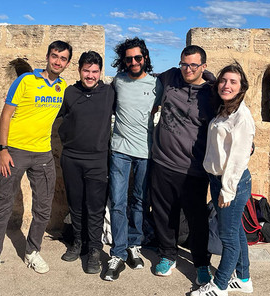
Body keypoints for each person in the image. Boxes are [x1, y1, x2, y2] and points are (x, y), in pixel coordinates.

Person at [0, 40, 72, 282]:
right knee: (3, 206)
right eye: (54, 56)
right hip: (15, 151)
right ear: (48, 57)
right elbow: (6, 113)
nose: (58, 62)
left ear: (68, 63)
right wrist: (3, 149)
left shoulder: (63, 87)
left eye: (63, 59)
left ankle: (32, 251)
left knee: (43, 207)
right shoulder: (25, 81)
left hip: (43, 154)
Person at [150, 45, 216, 285]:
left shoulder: (212, 93)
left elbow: (228, 116)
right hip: (162, 162)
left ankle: (201, 263)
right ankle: (168, 255)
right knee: (164, 214)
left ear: (203, 67)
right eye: (184, 64)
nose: (188, 69)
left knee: (197, 219)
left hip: (194, 169)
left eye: (193, 65)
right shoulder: (170, 77)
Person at [192, 63, 256, 296]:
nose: (226, 85)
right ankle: (244, 278)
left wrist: (227, 191)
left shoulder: (242, 116)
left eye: (233, 82)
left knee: (228, 236)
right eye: (223, 80)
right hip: (219, 179)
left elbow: (239, 158)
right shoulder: (225, 109)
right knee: (237, 231)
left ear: (242, 87)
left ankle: (219, 286)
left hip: (232, 183)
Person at [104, 37, 163, 281]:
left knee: (139, 200)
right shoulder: (118, 81)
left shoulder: (156, 84)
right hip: (119, 150)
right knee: (118, 201)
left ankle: (134, 245)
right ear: (124, 61)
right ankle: (117, 252)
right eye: (129, 59)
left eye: (138, 57)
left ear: (145, 58)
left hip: (145, 152)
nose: (134, 62)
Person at [58, 51, 116, 275]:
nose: (90, 75)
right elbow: (49, 114)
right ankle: (78, 243)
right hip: (71, 158)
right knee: (75, 205)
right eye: (86, 71)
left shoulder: (109, 92)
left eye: (94, 71)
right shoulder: (70, 92)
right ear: (79, 70)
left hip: (97, 159)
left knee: (95, 208)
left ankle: (94, 250)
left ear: (100, 72)